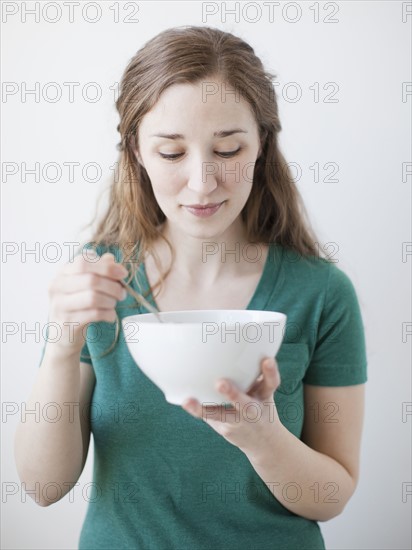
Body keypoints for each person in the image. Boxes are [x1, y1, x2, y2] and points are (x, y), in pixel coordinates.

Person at [15, 25, 367, 550]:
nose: (202, 182)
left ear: (262, 145)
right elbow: (43, 487)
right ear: (136, 150)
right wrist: (62, 347)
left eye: (227, 149)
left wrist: (263, 438)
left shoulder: (321, 294)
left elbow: (331, 496)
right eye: (172, 153)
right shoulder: (105, 282)